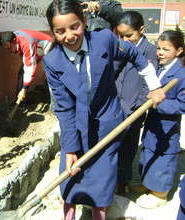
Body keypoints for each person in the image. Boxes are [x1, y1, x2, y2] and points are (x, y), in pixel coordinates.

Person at [43, 0, 165, 219]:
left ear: (84, 21)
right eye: (60, 31)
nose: (69, 36)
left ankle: (100, 215)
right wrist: (70, 148)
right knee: (70, 180)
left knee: (102, 184)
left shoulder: (104, 40)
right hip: (77, 130)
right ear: (52, 31)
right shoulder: (53, 61)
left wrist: (155, 86)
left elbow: (135, 55)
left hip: (108, 126)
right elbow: (64, 108)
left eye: (74, 27)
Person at [135, 30, 185, 209]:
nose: (160, 53)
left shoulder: (181, 74)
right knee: (149, 150)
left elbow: (182, 104)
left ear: (179, 51)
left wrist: (158, 104)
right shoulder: (159, 67)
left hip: (167, 126)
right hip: (153, 123)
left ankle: (160, 193)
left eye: (166, 49)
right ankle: (149, 183)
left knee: (163, 157)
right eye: (158, 48)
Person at [114, 11, 158, 196]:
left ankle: (122, 184)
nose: (125, 39)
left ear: (141, 30)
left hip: (134, 110)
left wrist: (137, 107)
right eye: (121, 35)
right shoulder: (119, 47)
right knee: (112, 146)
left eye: (129, 35)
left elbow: (149, 84)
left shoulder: (149, 50)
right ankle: (110, 180)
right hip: (115, 105)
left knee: (127, 149)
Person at [0, 30, 53, 102]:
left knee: (52, 74)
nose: (9, 50)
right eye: (6, 48)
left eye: (9, 47)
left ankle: (54, 105)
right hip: (37, 48)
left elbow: (30, 68)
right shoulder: (14, 38)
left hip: (49, 47)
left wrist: (24, 89)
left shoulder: (26, 43)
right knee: (22, 72)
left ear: (14, 40)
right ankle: (19, 101)